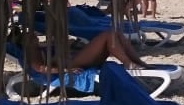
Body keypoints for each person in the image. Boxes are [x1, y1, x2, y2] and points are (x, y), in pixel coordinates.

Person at [18, 26, 150, 73]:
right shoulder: (31, 51)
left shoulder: (39, 46)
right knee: (108, 35)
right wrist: (65, 70)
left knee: (117, 34)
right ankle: (128, 63)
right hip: (70, 63)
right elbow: (40, 68)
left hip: (75, 58)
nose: (33, 35)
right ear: (24, 41)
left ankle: (136, 61)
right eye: (29, 35)